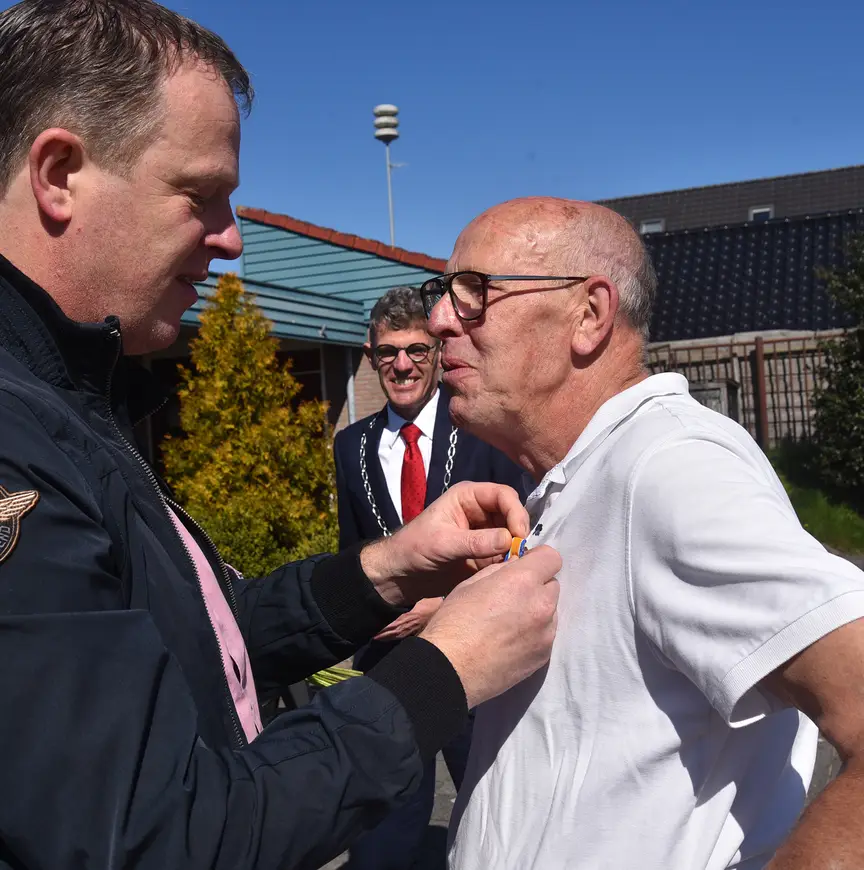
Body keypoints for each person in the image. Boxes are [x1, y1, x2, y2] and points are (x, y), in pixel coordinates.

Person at [0, 4, 562, 869]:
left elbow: (199, 639)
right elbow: (159, 839)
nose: (231, 239)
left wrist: (387, 569)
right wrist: (446, 668)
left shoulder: (68, 402)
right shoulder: (15, 437)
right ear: (60, 174)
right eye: (201, 195)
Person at [420, 196, 864, 870]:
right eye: (446, 293)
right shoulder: (589, 473)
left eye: (476, 291)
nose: (439, 319)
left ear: (589, 315)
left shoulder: (668, 467)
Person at [334, 285, 524, 869]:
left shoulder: (483, 431)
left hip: (476, 661)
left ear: (437, 353)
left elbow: (520, 544)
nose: (402, 365)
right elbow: (353, 554)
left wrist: (440, 606)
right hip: (390, 671)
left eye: (417, 350)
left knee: (497, 822)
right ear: (370, 356)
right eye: (387, 352)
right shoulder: (350, 446)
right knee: (383, 835)